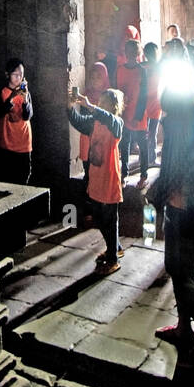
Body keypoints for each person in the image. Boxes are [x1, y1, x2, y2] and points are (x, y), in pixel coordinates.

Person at [147, 80, 194, 364]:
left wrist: (158, 190)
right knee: (178, 271)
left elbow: (173, 169)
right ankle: (184, 328)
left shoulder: (177, 129)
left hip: (182, 209)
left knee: (184, 276)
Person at [68, 87, 126, 275]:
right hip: (96, 178)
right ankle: (115, 247)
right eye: (99, 102)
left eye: (104, 103)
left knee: (110, 218)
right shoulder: (94, 122)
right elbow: (78, 122)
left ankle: (113, 259)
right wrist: (70, 107)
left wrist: (91, 107)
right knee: (100, 218)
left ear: (113, 106)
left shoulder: (116, 123)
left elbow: (110, 119)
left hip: (109, 178)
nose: (100, 105)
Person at [115, 40, 148, 183]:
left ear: (137, 53)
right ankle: (124, 173)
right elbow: (116, 91)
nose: (131, 54)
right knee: (124, 144)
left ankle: (144, 174)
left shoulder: (142, 71)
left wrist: (138, 116)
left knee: (142, 145)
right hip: (124, 112)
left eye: (134, 51)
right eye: (129, 51)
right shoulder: (119, 70)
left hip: (138, 113)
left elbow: (144, 95)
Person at [0, 58, 33, 184]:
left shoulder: (25, 92)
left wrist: (25, 100)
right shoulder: (2, 92)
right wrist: (12, 97)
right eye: (15, 74)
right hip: (7, 142)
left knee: (24, 177)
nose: (19, 77)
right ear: (7, 74)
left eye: (21, 75)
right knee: (8, 178)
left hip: (23, 141)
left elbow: (28, 116)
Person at [78, 62, 110, 172]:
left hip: (102, 139)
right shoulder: (86, 95)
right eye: (93, 77)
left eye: (99, 77)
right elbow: (82, 117)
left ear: (105, 77)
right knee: (88, 170)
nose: (95, 80)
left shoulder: (108, 97)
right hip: (88, 137)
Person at [140, 41, 163, 188]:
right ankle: (150, 158)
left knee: (148, 132)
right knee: (150, 132)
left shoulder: (143, 66)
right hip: (152, 102)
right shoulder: (157, 67)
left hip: (151, 102)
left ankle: (149, 157)